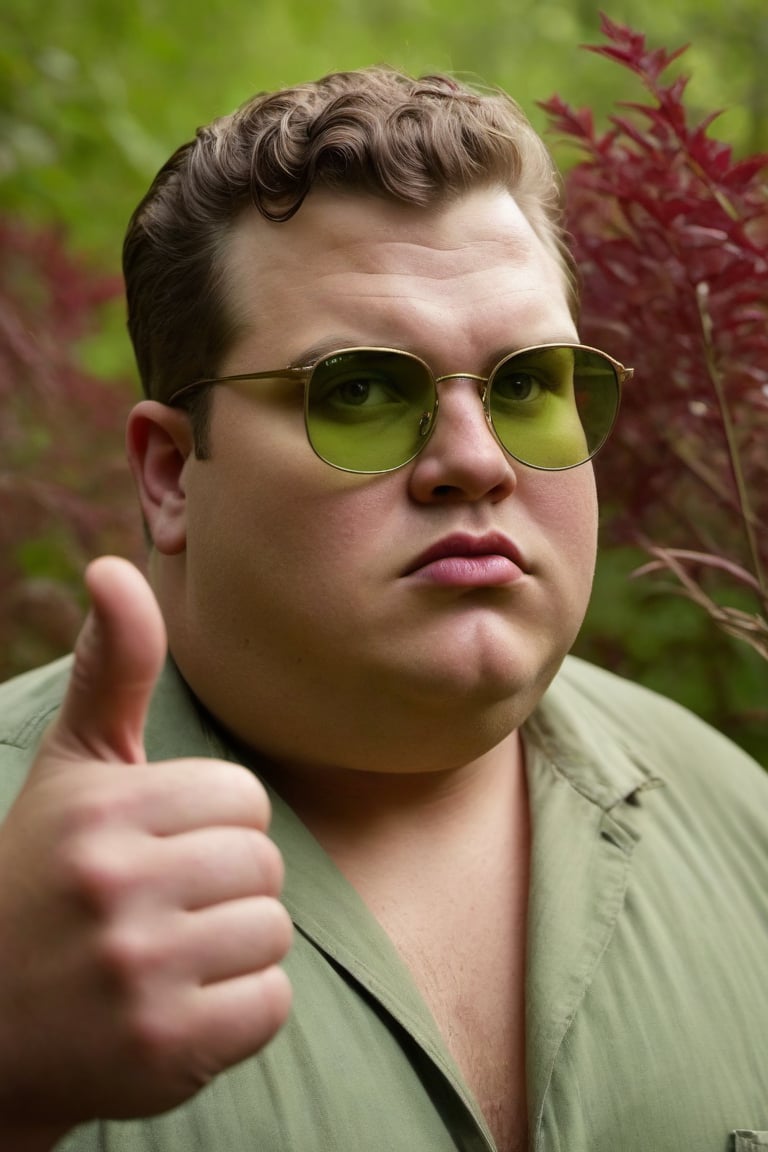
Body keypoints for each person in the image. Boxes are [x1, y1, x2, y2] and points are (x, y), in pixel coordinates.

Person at [0, 66, 766, 1152]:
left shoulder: (742, 827)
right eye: (360, 391)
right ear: (171, 473)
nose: (473, 462)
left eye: (527, 386)